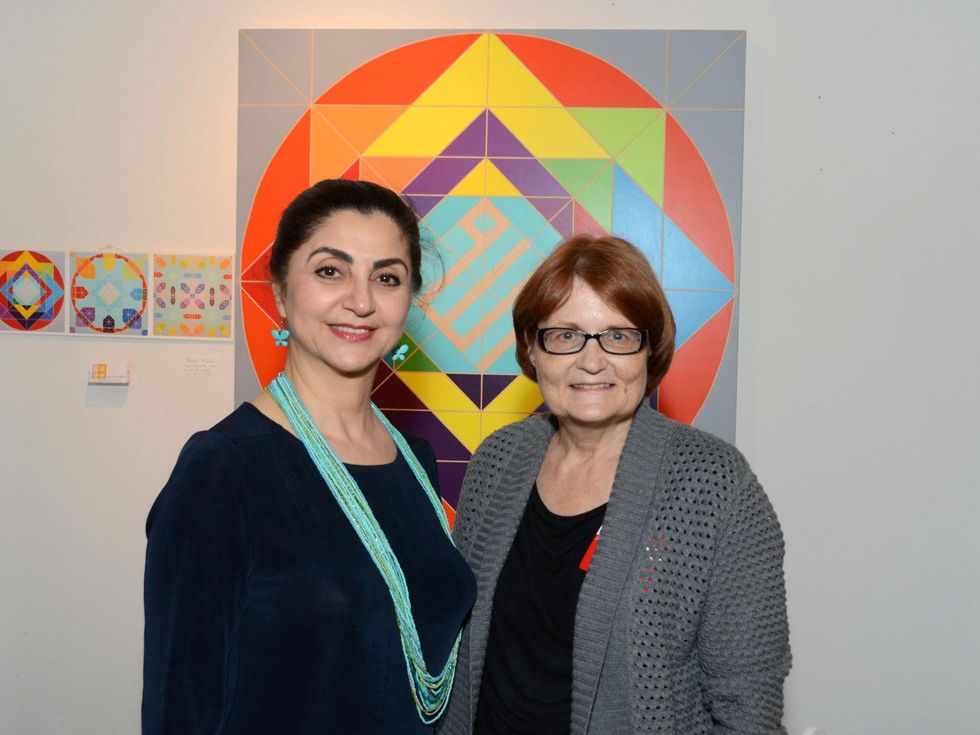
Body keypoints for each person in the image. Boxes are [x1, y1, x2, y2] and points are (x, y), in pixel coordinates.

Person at [143, 179, 476, 734]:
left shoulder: (415, 460)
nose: (362, 300)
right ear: (279, 290)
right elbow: (181, 706)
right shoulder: (225, 468)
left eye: (387, 277)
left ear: (409, 301)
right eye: (330, 271)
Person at [440, 235, 791, 734]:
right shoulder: (499, 459)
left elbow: (747, 707)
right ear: (531, 349)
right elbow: (460, 648)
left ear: (650, 350)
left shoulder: (713, 484)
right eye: (565, 335)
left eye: (619, 335)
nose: (591, 360)